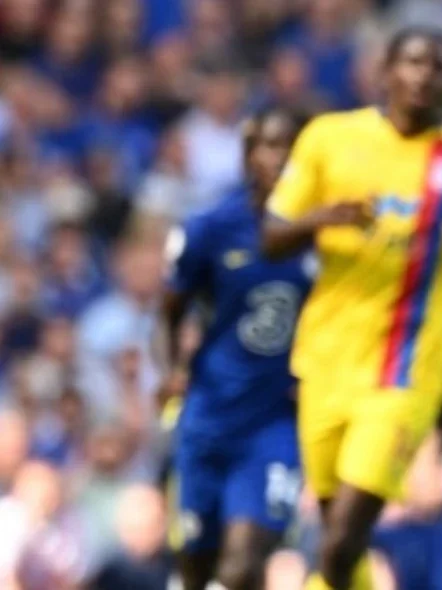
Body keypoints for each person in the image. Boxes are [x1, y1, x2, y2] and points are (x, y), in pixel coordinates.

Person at [261, 27, 442, 590]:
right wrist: (322, 218)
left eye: (441, 66)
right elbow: (273, 232)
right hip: (325, 362)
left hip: (405, 371)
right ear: (385, 71)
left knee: (343, 534)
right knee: (334, 526)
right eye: (413, 61)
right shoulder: (329, 139)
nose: (425, 75)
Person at [161, 106, 313, 590]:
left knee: (245, 562)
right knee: (196, 567)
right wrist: (171, 369)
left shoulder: (326, 237)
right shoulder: (210, 228)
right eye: (271, 145)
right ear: (249, 155)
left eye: (295, 148)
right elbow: (169, 311)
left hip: (276, 422)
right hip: (208, 415)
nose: (283, 158)